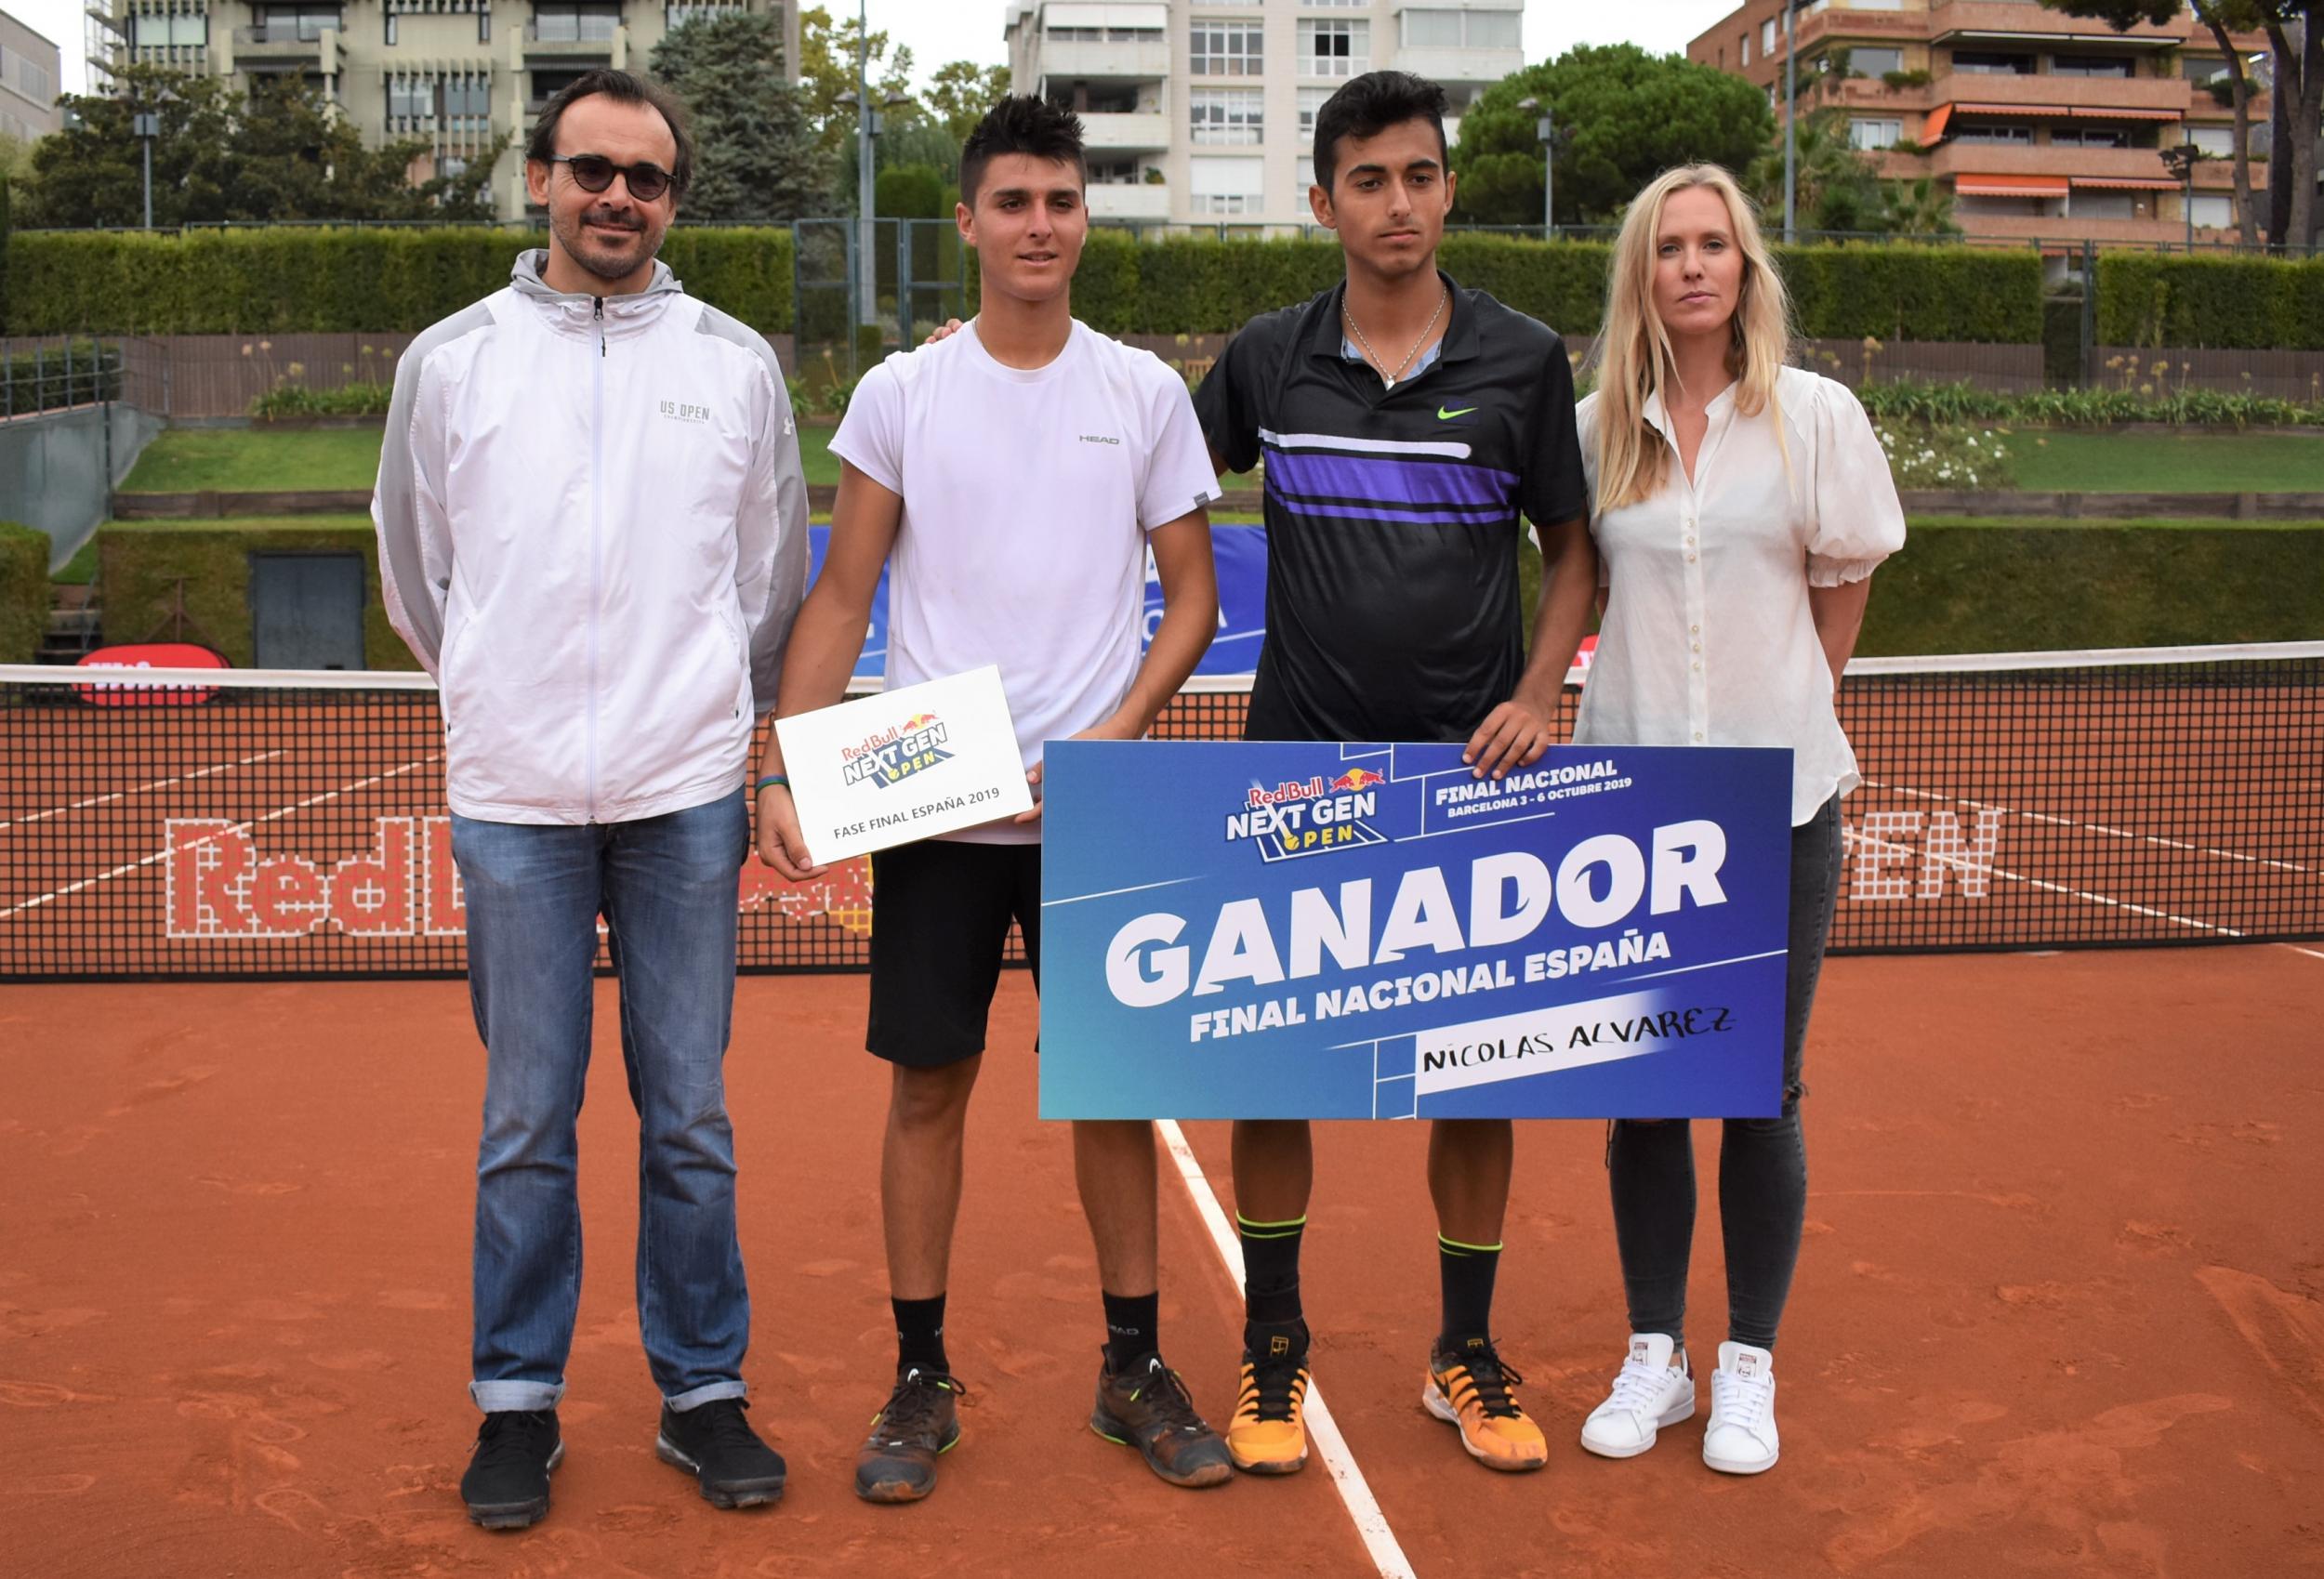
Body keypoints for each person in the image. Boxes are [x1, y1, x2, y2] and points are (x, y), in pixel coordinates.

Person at [752, 96, 1228, 1504]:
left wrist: (1114, 732)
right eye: (1013, 201)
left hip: (1094, 807)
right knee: (928, 1091)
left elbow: (1190, 598)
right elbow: (843, 597)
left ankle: (1131, 1366)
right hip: (935, 810)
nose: (1039, 224)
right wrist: (783, 759)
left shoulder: (1140, 392)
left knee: (1113, 1094)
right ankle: (920, 1376)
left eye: (1062, 201)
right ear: (965, 221)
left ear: (1086, 219)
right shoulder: (903, 394)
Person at [373, 69, 808, 1529]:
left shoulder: (736, 364)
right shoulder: (451, 361)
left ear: (674, 199)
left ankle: (702, 1393)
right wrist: (499, 687)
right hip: (512, 802)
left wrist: (718, 732)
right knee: (526, 1120)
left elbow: (768, 583)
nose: (618, 196)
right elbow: (419, 572)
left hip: (685, 792)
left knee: (688, 1114)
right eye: (592, 170)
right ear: (543, 180)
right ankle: (515, 1406)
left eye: (647, 177)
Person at [1190, 71, 1597, 1476]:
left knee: (1477, 1080)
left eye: (1420, 175)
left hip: (1472, 783)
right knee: (1277, 1073)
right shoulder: (1265, 359)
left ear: (1448, 188)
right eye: (1369, 179)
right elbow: (1142, 467)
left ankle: (1463, 1352)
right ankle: (1274, 1346)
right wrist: (985, 360)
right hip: (1297, 777)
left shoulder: (1524, 361)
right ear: (1324, 203)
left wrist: (1543, 692)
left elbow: (1573, 547)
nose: (1399, 202)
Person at [1569, 164, 1904, 1477]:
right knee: (1648, 1090)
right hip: (1634, 813)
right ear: (1642, 275)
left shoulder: (1814, 416)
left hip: (1782, 801)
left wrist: (1802, 701)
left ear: (1746, 265)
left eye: (1716, 244)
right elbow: (1574, 590)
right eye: (1670, 248)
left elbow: (1845, 577)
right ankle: (1656, 1353)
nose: (1695, 266)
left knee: (1760, 1090)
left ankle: (1746, 1362)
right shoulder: (1601, 424)